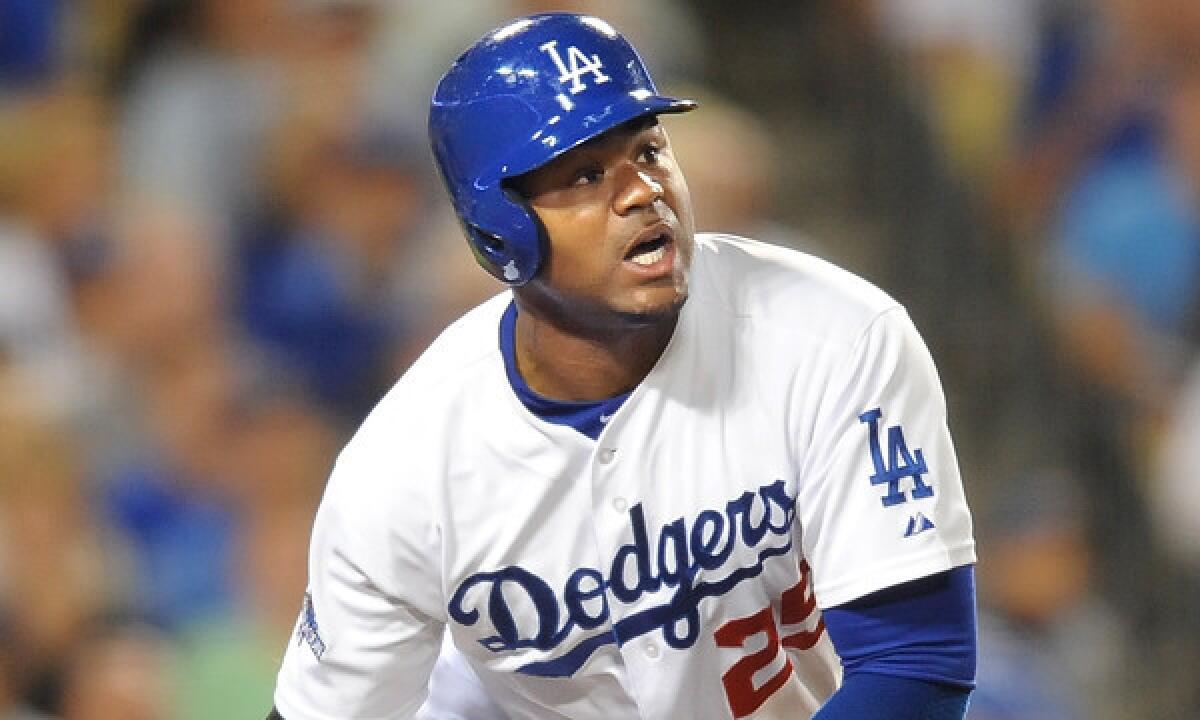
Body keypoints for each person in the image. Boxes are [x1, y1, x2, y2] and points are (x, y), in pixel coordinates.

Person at [268, 12, 977, 719]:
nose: (642, 190)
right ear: (498, 230)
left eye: (648, 150)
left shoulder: (833, 337)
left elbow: (914, 664)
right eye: (584, 174)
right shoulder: (404, 468)